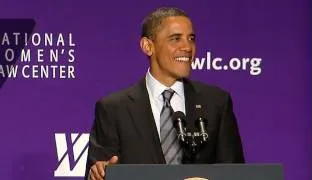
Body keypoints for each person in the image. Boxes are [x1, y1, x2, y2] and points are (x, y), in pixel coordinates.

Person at [85, 7, 244, 180]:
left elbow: (235, 173)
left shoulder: (216, 103)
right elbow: (96, 173)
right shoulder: (113, 109)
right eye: (175, 39)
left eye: (191, 39)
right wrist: (100, 174)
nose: (187, 47)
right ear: (148, 46)